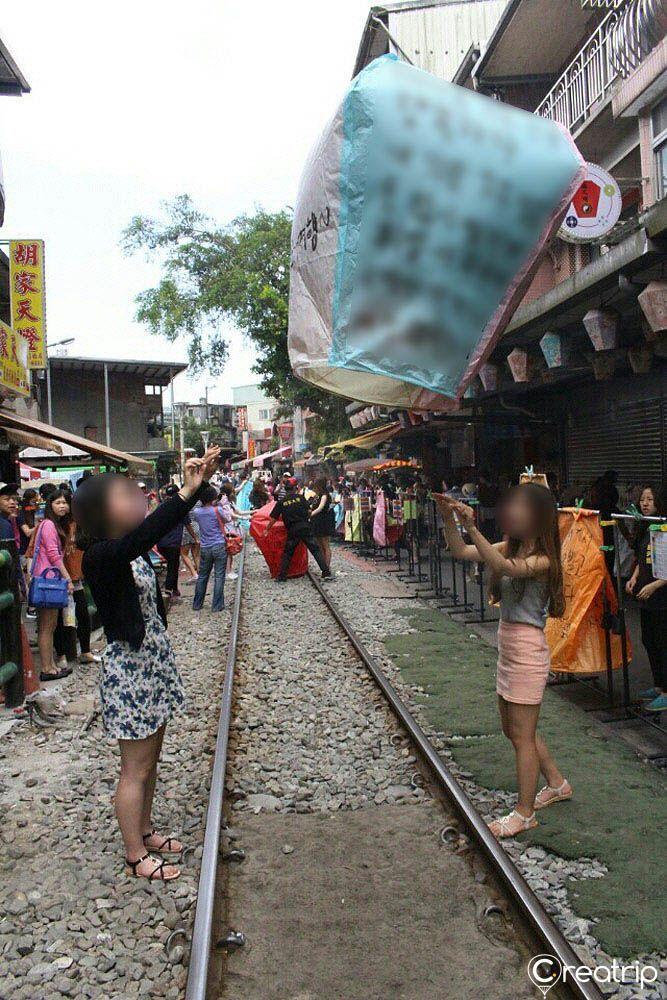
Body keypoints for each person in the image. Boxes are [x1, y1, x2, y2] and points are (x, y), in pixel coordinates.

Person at [72, 446, 220, 882]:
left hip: (151, 667)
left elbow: (151, 529)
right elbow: (153, 528)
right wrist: (186, 492)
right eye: (125, 493)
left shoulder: (128, 550)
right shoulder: (101, 554)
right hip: (130, 675)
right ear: (100, 511)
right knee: (134, 767)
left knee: (151, 760)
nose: (137, 496)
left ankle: (147, 830)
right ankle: (135, 854)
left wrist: (193, 489)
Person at [433, 483, 570, 839]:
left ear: (538, 516)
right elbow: (460, 550)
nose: (512, 511)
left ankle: (525, 814)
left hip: (526, 651)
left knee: (522, 736)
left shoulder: (543, 559)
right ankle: (556, 782)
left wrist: (473, 526)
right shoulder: (512, 546)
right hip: (508, 647)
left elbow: (504, 568)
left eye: (521, 506)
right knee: (515, 731)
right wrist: (450, 517)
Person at [625, 485, 667, 713]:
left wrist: (654, 585)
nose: (645, 503)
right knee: (649, 640)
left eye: (650, 499)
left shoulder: (665, 526)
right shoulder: (645, 526)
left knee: (663, 641)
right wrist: (634, 578)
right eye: (643, 499)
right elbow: (642, 559)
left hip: (661, 595)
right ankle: (659, 685)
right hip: (646, 594)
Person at [31, 490, 75, 682]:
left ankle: (51, 665)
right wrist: (68, 578)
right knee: (47, 627)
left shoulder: (50, 524)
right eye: (58, 503)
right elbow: (53, 555)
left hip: (47, 579)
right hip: (48, 580)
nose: (62, 506)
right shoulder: (49, 525)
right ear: (50, 506)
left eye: (65, 503)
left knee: (48, 626)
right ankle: (47, 668)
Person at [264, 478, 331, 581]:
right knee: (315, 550)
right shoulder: (301, 498)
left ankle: (282, 576)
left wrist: (267, 529)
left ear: (286, 489)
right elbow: (309, 511)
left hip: (293, 530)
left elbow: (273, 518)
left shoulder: (281, 502)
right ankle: (326, 572)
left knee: (288, 553)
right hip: (305, 528)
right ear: (295, 488)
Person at [190, 485, 230, 612]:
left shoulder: (197, 512)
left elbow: (195, 518)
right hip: (219, 545)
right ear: (214, 497)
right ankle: (217, 605)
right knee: (219, 576)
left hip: (205, 547)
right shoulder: (217, 510)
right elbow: (227, 519)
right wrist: (221, 505)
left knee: (203, 576)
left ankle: (197, 604)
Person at [156, 485, 187, 602]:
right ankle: (169, 592)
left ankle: (174, 589)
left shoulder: (160, 506)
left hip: (161, 543)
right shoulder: (180, 507)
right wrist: (195, 537)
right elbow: (188, 524)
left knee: (173, 565)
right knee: (173, 567)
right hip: (173, 543)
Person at [309, 478, 333, 569]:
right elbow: (312, 506)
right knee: (319, 544)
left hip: (323, 521)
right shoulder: (317, 496)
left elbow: (320, 508)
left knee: (325, 543)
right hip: (316, 521)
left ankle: (327, 565)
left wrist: (310, 514)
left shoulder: (324, 495)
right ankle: (323, 565)